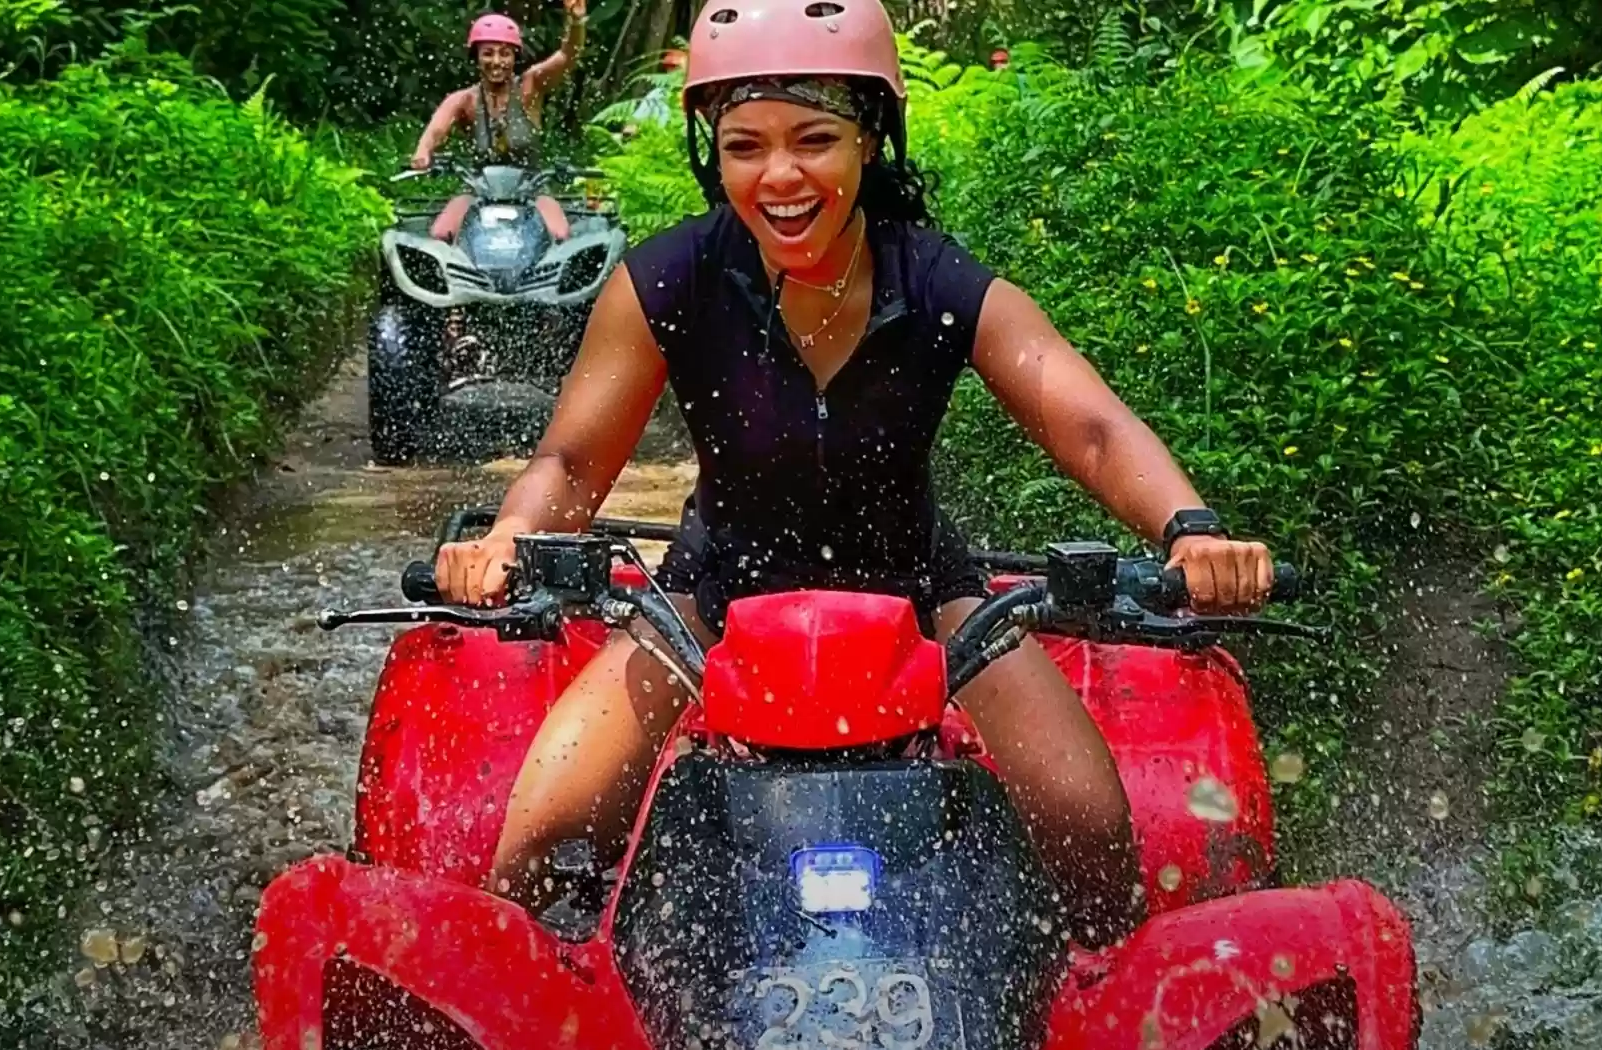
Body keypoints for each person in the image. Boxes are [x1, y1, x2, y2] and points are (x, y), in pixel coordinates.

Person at [435, 0, 1275, 947]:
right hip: (714, 592)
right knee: (538, 840)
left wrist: (1190, 529)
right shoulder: (668, 278)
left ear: (870, 139)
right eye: (744, 146)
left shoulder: (937, 280)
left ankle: (1083, 986)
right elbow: (571, 460)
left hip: (924, 591)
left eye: (815, 140)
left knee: (1088, 824)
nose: (779, 176)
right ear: (712, 154)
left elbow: (1090, 425)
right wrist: (510, 536)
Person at [411, 3, 589, 244]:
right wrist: (423, 151)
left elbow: (567, 56)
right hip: (477, 188)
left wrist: (576, 22)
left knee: (559, 235)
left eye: (504, 53)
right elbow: (437, 128)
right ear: (476, 57)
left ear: (515, 57)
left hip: (532, 187)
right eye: (488, 53)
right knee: (440, 234)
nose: (496, 61)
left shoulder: (530, 87)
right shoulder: (465, 100)